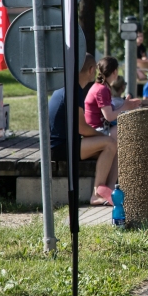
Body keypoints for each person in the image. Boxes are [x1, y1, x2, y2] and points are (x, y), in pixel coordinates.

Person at [47, 54, 118, 206]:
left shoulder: (68, 86)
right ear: (91, 70)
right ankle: (97, 194)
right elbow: (82, 128)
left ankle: (110, 189)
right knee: (110, 143)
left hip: (63, 144)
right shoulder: (74, 90)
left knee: (113, 148)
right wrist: (101, 137)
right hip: (60, 147)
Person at [85, 57, 144, 139]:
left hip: (98, 128)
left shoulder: (101, 87)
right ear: (115, 71)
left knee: (130, 125)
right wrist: (125, 106)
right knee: (131, 128)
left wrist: (128, 105)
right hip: (97, 130)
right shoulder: (102, 89)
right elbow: (109, 116)